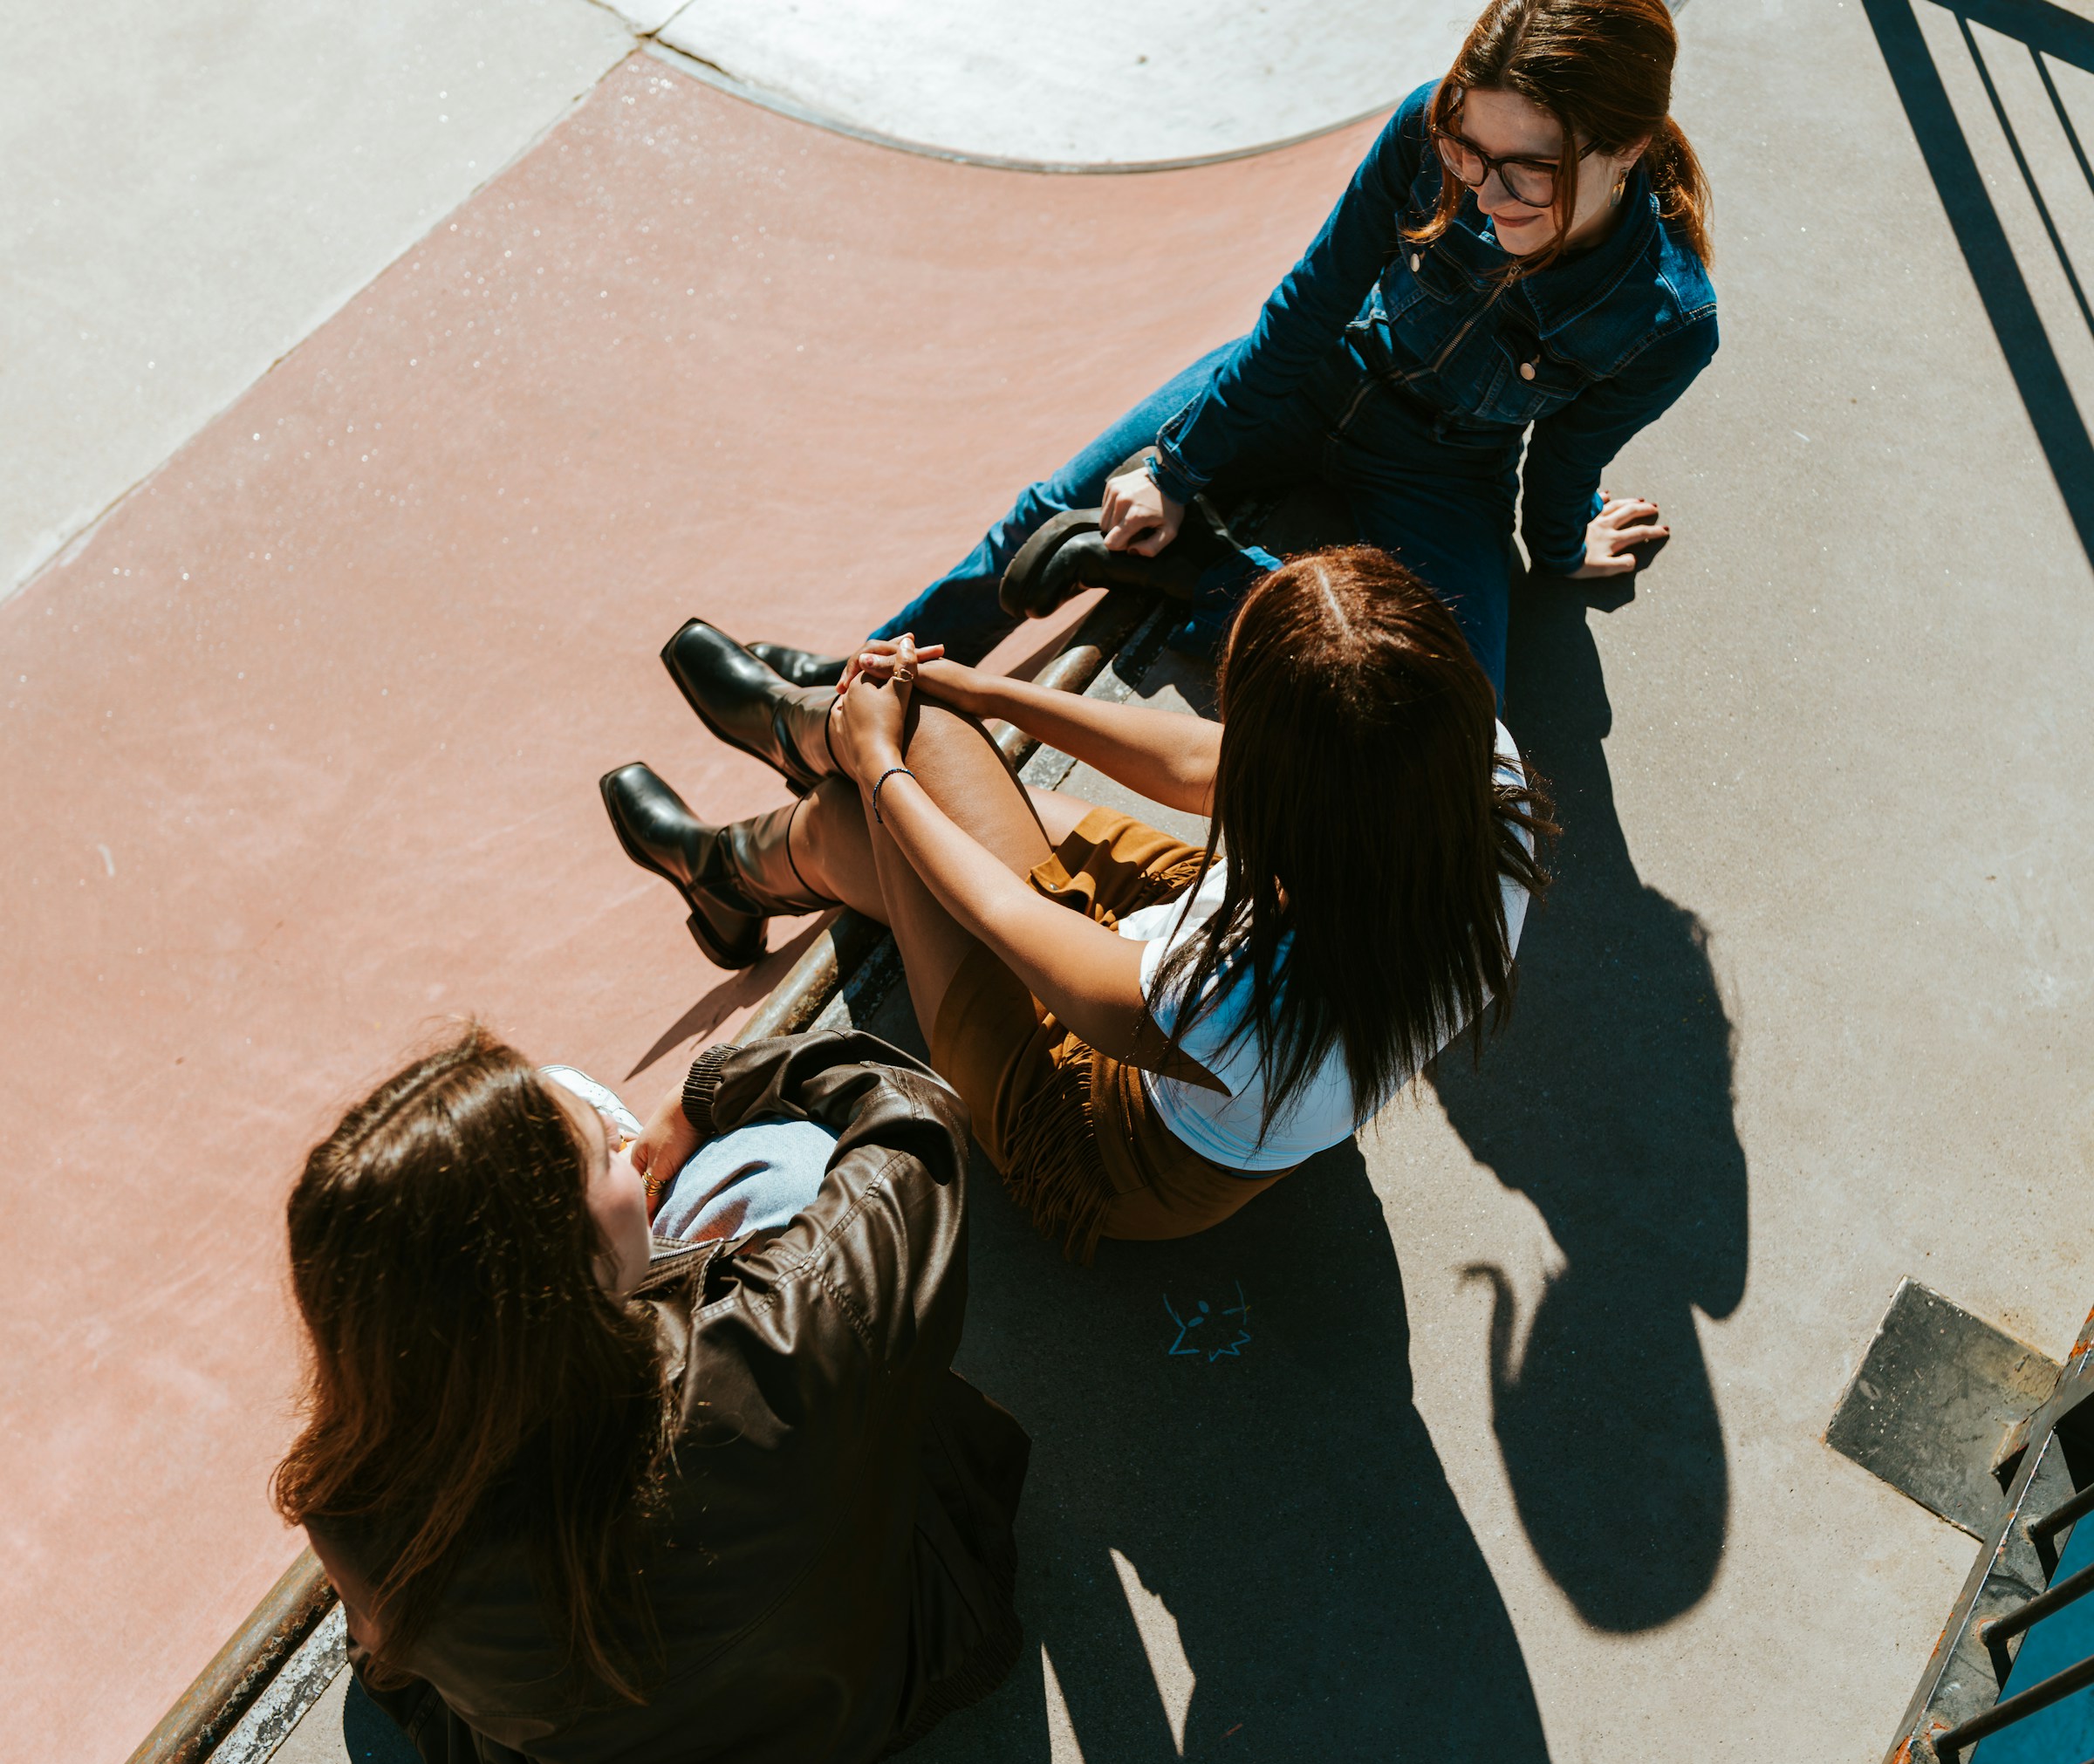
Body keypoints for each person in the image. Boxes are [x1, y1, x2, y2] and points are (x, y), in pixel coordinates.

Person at [600, 547, 1555, 1261]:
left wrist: (880, 760)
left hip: (1100, 1132)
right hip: (1271, 943)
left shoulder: (1223, 995)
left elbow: (1008, 921)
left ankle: (761, 819)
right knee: (928, 753)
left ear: (1285, 800)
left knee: (890, 791)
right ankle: (751, 831)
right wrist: (991, 691)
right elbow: (1199, 765)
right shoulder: (1470, 784)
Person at [751, 0, 1715, 705]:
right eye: (1470, 150)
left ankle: (1210, 576)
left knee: (1446, 703)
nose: (1483, 188)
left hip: (1440, 467)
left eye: (1527, 173)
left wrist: (1557, 549)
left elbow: (1567, 456)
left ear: (1625, 150)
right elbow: (1307, 307)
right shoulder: (1429, 128)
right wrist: (1178, 467)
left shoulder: (1666, 320)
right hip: (1314, 375)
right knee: (1061, 509)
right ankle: (853, 693)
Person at [273, 1025, 1028, 1764]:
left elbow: (395, 1669)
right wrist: (708, 1087)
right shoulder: (787, 1332)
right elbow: (910, 1112)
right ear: (567, 1264)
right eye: (607, 1158)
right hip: (913, 1658)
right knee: (783, 1155)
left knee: (551, 1097)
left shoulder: (350, 1508)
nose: (630, 1163)